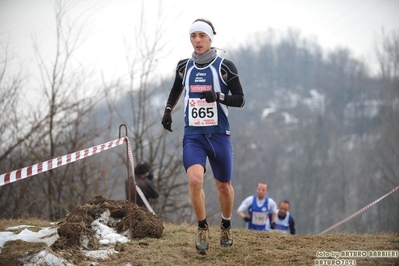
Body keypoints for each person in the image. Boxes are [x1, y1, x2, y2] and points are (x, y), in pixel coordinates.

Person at [161, 18, 245, 255]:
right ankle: (202, 226)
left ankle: (226, 224)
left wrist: (218, 97)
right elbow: (177, 89)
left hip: (219, 134)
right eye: (193, 36)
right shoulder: (183, 66)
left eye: (202, 36)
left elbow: (240, 99)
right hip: (193, 135)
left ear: (210, 38)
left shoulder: (224, 66)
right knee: (195, 181)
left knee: (224, 186)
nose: (197, 40)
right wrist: (168, 110)